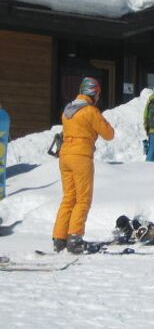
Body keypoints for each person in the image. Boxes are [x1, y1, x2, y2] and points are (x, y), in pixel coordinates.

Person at [52, 77, 114, 253]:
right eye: (98, 95)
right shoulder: (90, 111)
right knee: (82, 198)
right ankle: (75, 238)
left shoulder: (68, 109)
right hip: (81, 156)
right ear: (93, 93)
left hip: (65, 155)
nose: (98, 98)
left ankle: (59, 238)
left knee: (68, 197)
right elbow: (109, 134)